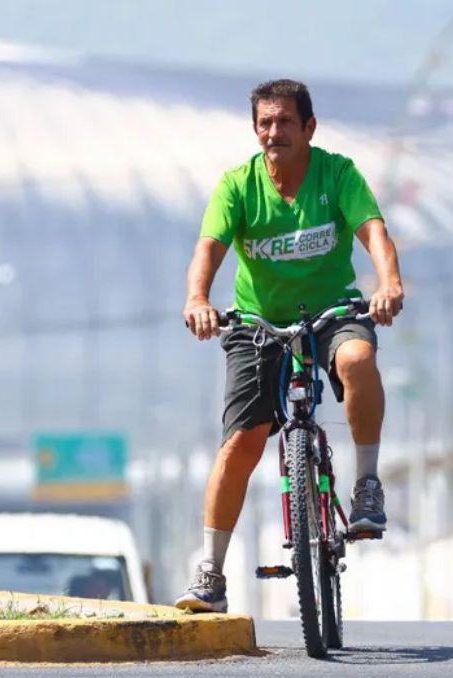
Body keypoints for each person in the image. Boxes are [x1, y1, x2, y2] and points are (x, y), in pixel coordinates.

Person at [176, 79, 404, 613]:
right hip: (257, 322)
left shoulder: (337, 174)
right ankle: (209, 573)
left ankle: (367, 484)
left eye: (284, 122)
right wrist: (197, 299)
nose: (273, 132)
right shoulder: (238, 185)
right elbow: (208, 248)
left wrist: (388, 283)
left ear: (309, 127)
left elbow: (374, 231)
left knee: (357, 358)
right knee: (243, 440)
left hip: (331, 314)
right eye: (264, 123)